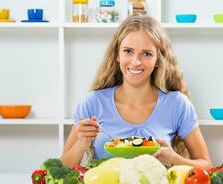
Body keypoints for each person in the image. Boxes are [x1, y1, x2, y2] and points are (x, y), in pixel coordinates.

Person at [60, 15, 212, 171]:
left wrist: (175, 159)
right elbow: (60, 168)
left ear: (158, 60)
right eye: (128, 51)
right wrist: (81, 144)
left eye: (147, 53)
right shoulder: (92, 103)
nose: (136, 62)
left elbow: (206, 165)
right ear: (117, 55)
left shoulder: (177, 104)